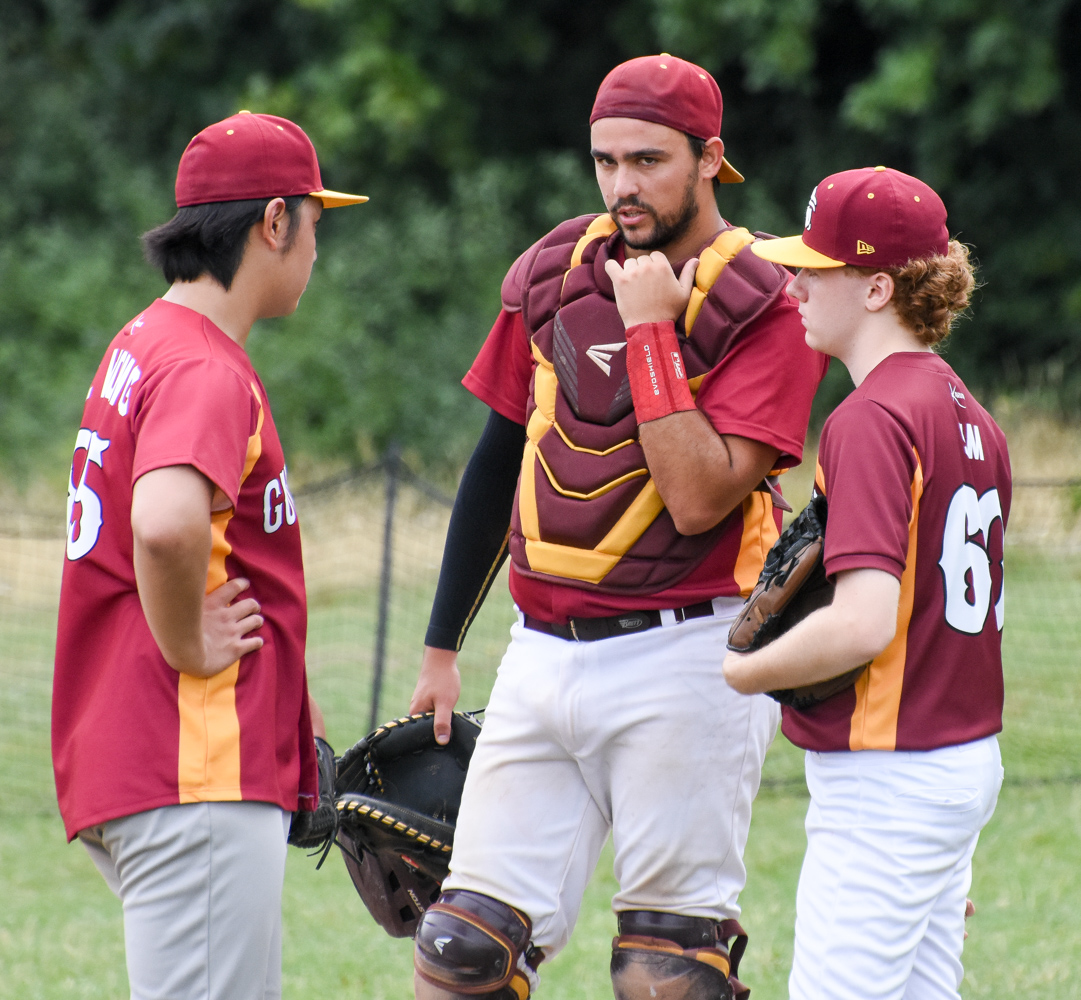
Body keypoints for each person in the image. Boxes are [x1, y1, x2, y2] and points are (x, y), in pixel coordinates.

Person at [407, 55, 828, 1000]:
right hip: (539, 653)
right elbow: (498, 459)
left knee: (665, 970)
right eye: (605, 161)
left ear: (710, 158)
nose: (621, 185)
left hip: (686, 656)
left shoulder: (765, 297)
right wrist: (441, 647)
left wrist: (649, 331)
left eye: (648, 160)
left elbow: (699, 499)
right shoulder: (555, 270)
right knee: (462, 951)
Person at [51, 111, 366, 1000]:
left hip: (147, 752)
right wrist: (190, 642)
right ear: (274, 222)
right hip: (191, 760)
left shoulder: (145, 339)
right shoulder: (204, 367)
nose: (317, 247)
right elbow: (165, 523)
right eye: (315, 222)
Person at [725, 166, 1010, 999]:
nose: (794, 286)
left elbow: (861, 624)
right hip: (957, 758)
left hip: (891, 772)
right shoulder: (969, 413)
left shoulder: (872, 417)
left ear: (877, 287)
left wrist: (740, 672)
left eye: (817, 270)